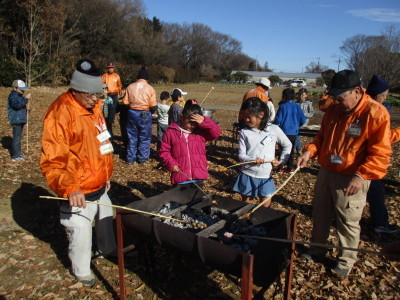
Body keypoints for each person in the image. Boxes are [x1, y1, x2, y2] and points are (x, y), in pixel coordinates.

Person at [298, 70, 392, 277]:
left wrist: (362, 175)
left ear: (357, 91)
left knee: (348, 219)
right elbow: (320, 138)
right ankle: (317, 249)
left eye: (340, 97)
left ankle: (346, 259)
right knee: (320, 213)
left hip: (353, 176)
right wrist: (309, 152)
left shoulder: (375, 113)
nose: (336, 102)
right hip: (326, 171)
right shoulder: (333, 110)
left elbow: (381, 152)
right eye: (334, 97)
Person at [40, 59, 116, 287]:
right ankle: (82, 270)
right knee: (81, 231)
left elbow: (102, 141)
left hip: (99, 183)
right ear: (76, 90)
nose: (96, 100)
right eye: (91, 95)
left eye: (98, 95)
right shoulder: (61, 113)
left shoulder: (93, 108)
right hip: (79, 187)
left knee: (106, 219)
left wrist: (106, 174)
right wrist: (70, 187)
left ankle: (108, 250)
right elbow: (53, 159)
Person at [232, 97, 292, 207]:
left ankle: (262, 220)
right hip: (247, 172)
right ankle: (245, 221)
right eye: (244, 117)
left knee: (265, 201)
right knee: (246, 202)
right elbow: (241, 155)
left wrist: (282, 162)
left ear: (261, 115)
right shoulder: (244, 132)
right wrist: (251, 160)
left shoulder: (273, 129)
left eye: (249, 117)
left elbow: (287, 145)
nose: (246, 120)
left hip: (265, 175)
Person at [365, 74, 400, 233]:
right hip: (369, 161)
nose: (386, 97)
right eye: (385, 94)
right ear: (378, 94)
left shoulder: (364, 106)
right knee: (377, 193)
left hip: (361, 159)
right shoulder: (377, 110)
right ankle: (380, 223)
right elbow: (383, 139)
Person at [159, 102, 221, 185]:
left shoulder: (201, 131)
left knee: (197, 196)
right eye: (189, 122)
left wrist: (205, 122)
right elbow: (164, 151)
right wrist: (171, 164)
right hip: (180, 174)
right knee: (180, 197)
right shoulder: (171, 131)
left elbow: (216, 133)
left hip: (198, 174)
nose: (192, 125)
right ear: (181, 117)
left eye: (195, 123)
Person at [123, 67, 157, 164]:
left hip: (132, 112)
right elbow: (153, 105)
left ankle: (130, 157)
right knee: (145, 136)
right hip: (144, 113)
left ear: (138, 77)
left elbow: (125, 102)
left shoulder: (130, 87)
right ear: (147, 78)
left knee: (132, 136)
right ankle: (142, 158)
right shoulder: (150, 88)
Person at [273, 88, 306, 172]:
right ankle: (290, 167)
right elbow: (303, 120)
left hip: (283, 132)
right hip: (294, 132)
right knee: (290, 150)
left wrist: (273, 126)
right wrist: (296, 125)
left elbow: (278, 120)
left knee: (282, 150)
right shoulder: (297, 106)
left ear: (284, 96)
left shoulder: (283, 106)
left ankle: (281, 167)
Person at [7, 80, 31, 161]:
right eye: (21, 89)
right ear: (15, 88)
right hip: (16, 120)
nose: (23, 91)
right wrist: (26, 99)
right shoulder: (12, 96)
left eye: (23, 89)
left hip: (20, 119)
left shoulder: (20, 96)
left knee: (18, 137)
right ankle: (16, 156)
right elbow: (17, 105)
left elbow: (21, 105)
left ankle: (18, 153)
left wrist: (27, 108)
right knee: (16, 138)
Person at [101, 62, 122, 137]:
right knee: (106, 111)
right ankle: (108, 127)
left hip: (115, 95)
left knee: (113, 110)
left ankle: (111, 125)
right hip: (107, 94)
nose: (111, 69)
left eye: (112, 67)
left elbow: (119, 85)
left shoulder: (116, 76)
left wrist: (120, 93)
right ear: (107, 68)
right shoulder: (104, 76)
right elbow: (102, 86)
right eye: (109, 67)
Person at [294, 88, 314, 155]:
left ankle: (296, 149)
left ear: (306, 95)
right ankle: (298, 149)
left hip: (304, 122)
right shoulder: (296, 103)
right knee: (297, 136)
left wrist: (303, 114)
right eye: (300, 95)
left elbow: (311, 113)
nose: (301, 96)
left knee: (297, 135)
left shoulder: (308, 103)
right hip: (296, 122)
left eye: (303, 95)